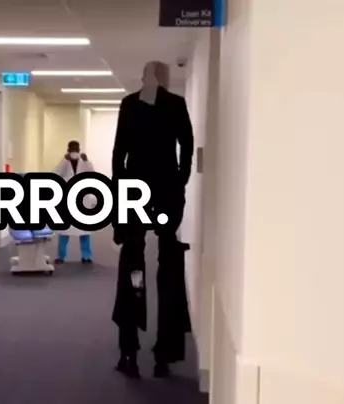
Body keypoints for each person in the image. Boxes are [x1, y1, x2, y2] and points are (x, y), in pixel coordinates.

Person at [111, 61, 194, 379]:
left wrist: (120, 194)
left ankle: (129, 352)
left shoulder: (130, 103)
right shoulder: (175, 104)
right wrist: (180, 180)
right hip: (164, 192)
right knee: (167, 269)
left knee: (134, 267)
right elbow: (186, 146)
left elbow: (119, 153)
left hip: (136, 193)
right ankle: (164, 354)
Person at [53, 140, 95, 264]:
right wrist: (64, 161)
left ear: (79, 150)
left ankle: (86, 256)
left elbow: (93, 174)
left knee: (84, 230)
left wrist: (87, 162)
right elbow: (55, 174)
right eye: (72, 149)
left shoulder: (84, 162)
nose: (74, 152)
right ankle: (61, 256)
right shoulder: (64, 162)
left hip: (82, 199)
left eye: (76, 149)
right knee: (64, 230)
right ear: (68, 150)